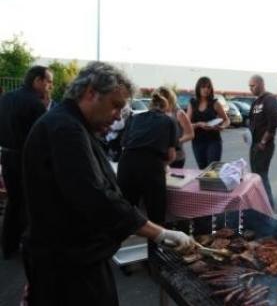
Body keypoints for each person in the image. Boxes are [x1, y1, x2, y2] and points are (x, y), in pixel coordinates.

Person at [22, 62, 194, 306]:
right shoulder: (65, 128)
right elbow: (97, 198)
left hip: (66, 259)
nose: (117, 117)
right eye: (115, 106)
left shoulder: (70, 123)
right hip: (70, 266)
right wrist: (159, 233)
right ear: (91, 93)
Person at [0, 65, 53, 259]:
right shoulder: (34, 103)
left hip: (6, 156)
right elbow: (45, 136)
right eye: (48, 81)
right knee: (30, 203)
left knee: (14, 202)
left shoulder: (6, 98)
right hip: (26, 159)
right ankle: (27, 246)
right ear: (37, 80)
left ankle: (8, 245)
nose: (50, 86)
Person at [117, 91, 177, 224]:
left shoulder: (134, 118)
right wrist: (163, 166)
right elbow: (172, 155)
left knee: (125, 213)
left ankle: (118, 243)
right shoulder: (169, 121)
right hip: (151, 166)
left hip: (127, 164)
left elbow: (124, 145)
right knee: (156, 216)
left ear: (150, 105)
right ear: (166, 107)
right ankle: (154, 245)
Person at [248, 75, 277, 208]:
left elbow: (272, 125)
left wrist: (263, 142)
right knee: (255, 176)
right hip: (254, 145)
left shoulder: (270, 99)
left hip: (264, 146)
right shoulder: (255, 102)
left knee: (262, 176)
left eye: (252, 85)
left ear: (261, 84)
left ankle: (270, 207)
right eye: (249, 86)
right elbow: (252, 122)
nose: (250, 88)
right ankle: (260, 205)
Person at [187, 77, 230, 169]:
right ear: (198, 88)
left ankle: (213, 183)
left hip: (213, 141)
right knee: (202, 170)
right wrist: (198, 124)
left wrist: (222, 127)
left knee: (212, 170)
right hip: (197, 142)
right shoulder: (192, 103)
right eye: (203, 87)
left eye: (208, 87)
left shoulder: (215, 103)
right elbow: (186, 125)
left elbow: (227, 120)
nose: (206, 89)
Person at [159, 86, 194, 168]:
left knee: (175, 179)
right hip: (161, 157)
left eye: (163, 98)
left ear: (169, 98)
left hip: (177, 157)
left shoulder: (179, 113)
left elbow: (190, 134)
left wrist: (175, 142)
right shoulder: (159, 112)